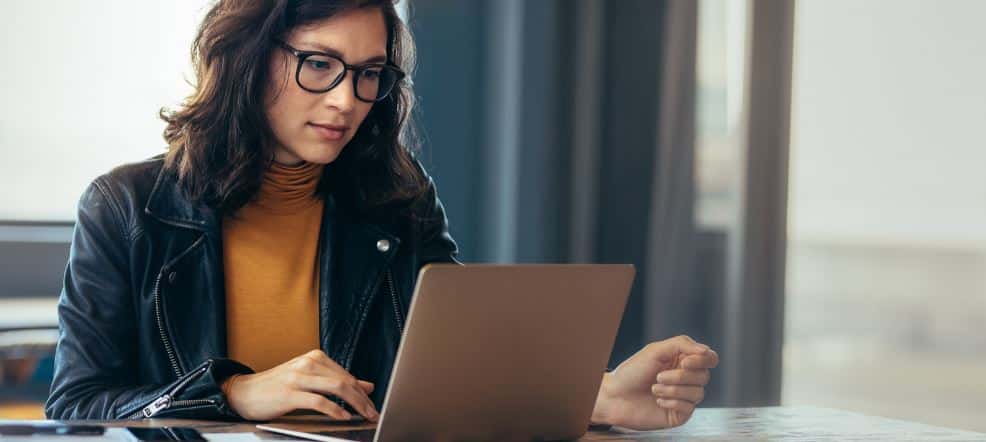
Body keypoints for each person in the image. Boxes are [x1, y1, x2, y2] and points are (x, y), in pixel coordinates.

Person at [44, 0, 718, 431]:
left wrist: (594, 396)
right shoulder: (127, 207)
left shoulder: (396, 198)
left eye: (369, 74)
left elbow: (454, 373)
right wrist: (235, 393)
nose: (346, 100)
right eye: (318, 64)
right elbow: (75, 408)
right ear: (247, 59)